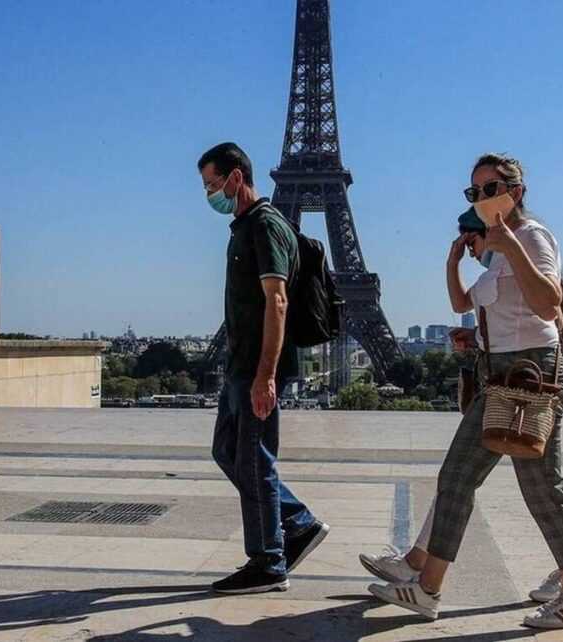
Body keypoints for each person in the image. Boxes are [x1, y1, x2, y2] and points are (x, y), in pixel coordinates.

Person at [367, 153, 563, 629]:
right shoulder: (493, 259)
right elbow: (464, 303)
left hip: (533, 376)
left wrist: (510, 245)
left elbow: (548, 304)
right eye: (475, 191)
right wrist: (454, 264)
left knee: (542, 489)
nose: (482, 198)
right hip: (500, 378)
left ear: (516, 191)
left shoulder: (532, 237)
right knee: (456, 477)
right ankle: (426, 588)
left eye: (491, 188)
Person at [197, 142, 329, 595]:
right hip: (240, 365)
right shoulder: (245, 226)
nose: (209, 194)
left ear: (236, 178)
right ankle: (297, 521)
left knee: (255, 460)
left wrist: (266, 375)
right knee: (227, 451)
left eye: (213, 184)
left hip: (257, 367)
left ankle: (269, 561)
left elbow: (278, 301)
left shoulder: (266, 225)